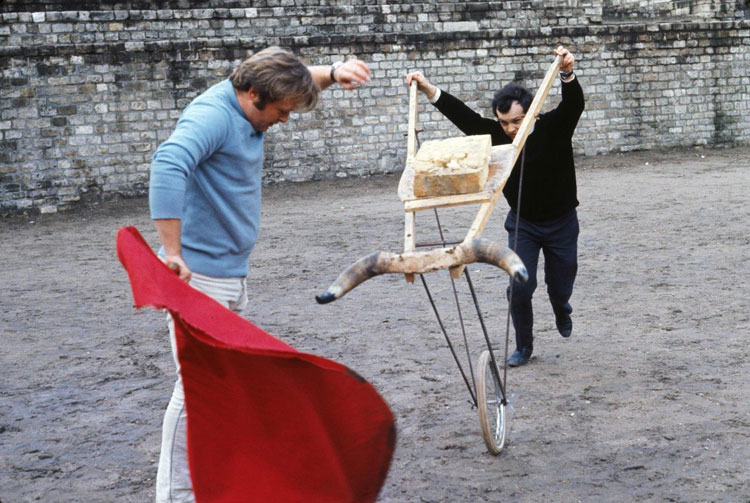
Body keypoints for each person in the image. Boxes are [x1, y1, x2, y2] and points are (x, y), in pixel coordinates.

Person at [148, 46, 371, 502]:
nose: (284, 120)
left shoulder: (251, 97)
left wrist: (332, 73)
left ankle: (209, 484)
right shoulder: (212, 116)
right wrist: (172, 252)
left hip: (227, 275)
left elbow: (294, 79)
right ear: (253, 94)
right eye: (281, 112)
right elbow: (168, 163)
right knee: (196, 389)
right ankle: (174, 496)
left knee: (219, 389)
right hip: (198, 280)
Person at [406, 46, 584, 368]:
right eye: (504, 123)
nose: (511, 129)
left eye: (517, 121)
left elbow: (574, 104)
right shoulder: (496, 135)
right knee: (520, 286)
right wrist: (429, 89)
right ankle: (524, 346)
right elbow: (464, 117)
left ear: (532, 113)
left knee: (560, 285)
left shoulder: (554, 126)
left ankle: (561, 307)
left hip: (562, 223)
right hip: (524, 224)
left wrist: (568, 73)